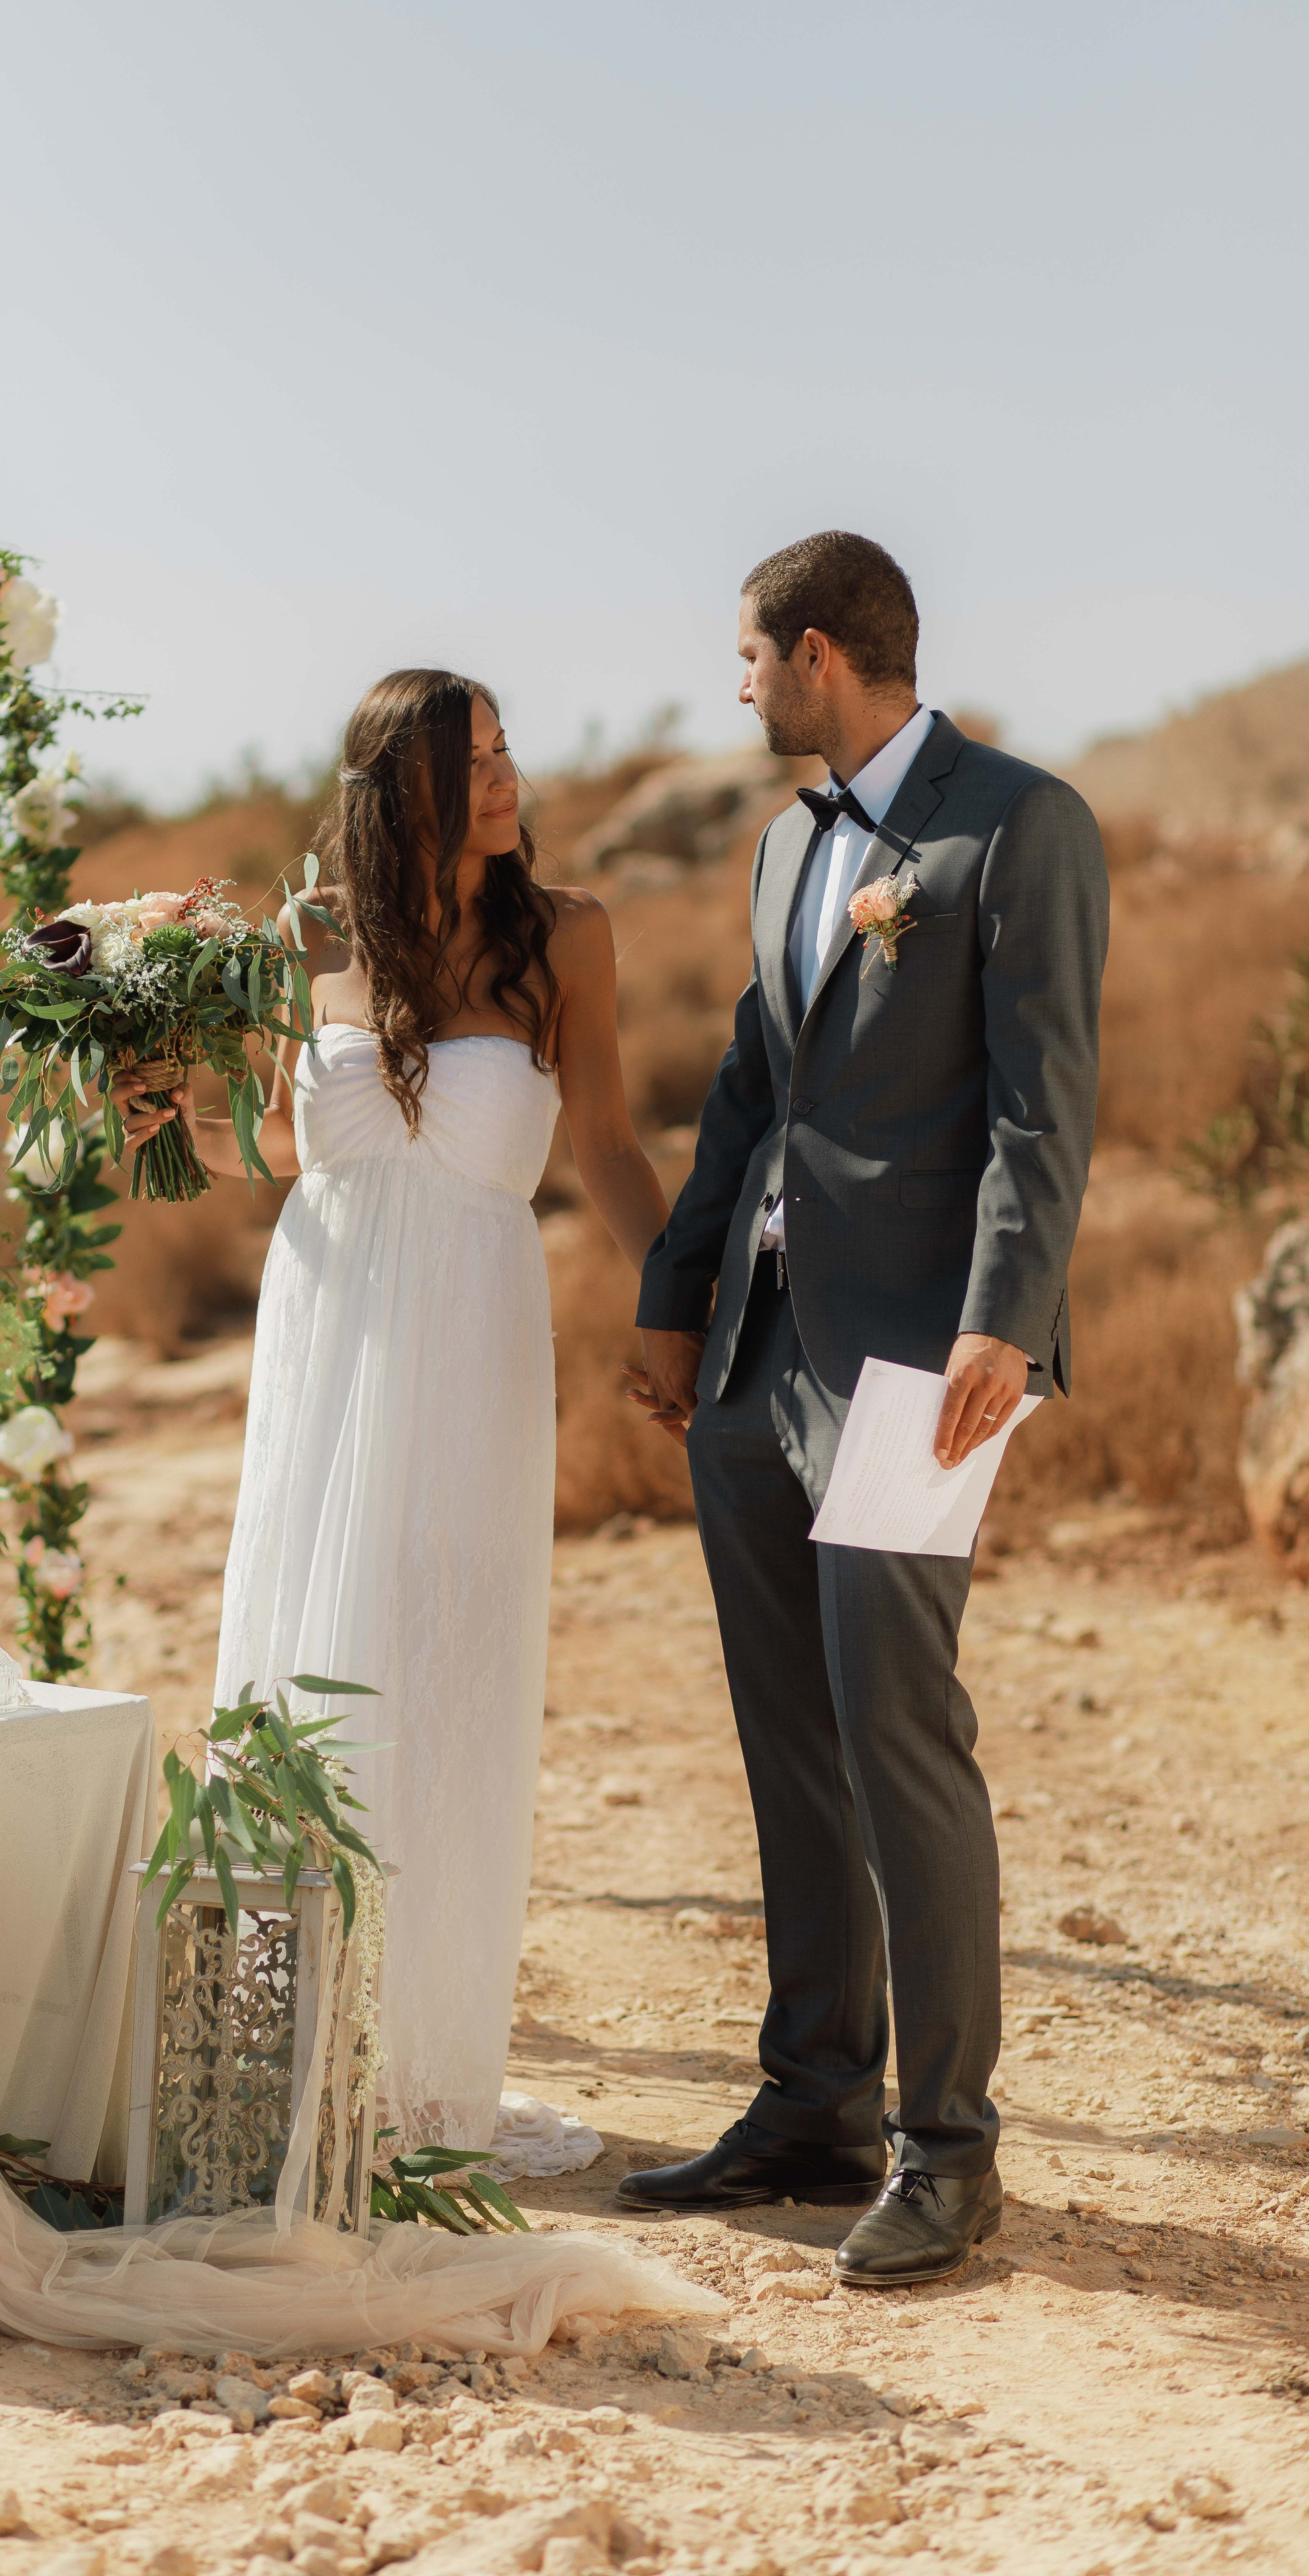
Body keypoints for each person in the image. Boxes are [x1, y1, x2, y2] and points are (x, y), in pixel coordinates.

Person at [618, 532, 1108, 2285]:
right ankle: (814, 2101)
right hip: (760, 1365)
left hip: (922, 1370)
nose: (738, 685)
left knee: (899, 1726)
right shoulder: (779, 849)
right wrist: (676, 1301)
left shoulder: (1016, 825)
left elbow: (1048, 1110)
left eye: (750, 656)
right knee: (789, 1740)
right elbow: (749, 1098)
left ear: (821, 654)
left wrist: (1006, 1322)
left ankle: (951, 2150)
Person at [116, 667, 669, 2159]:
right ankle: (290, 2053)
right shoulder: (307, 941)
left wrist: (674, 1304)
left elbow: (607, 1143)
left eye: (503, 751)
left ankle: (421, 2063)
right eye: (469, 758)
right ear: (394, 786)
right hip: (329, 1333)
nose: (505, 778)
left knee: (447, 1658)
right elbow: (289, 1153)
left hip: (476, 1340)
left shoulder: (567, 938)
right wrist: (180, 1119)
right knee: (317, 1648)